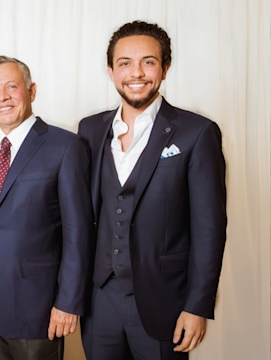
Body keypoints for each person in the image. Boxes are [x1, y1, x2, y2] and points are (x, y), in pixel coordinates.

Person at [78, 20, 228, 360]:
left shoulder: (197, 132)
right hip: (99, 302)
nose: (137, 73)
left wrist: (198, 305)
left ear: (165, 67)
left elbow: (210, 229)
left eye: (148, 61)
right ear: (111, 71)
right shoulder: (89, 129)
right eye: (125, 63)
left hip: (164, 301)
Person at [0, 55, 95, 360]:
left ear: (31, 91)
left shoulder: (65, 146)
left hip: (38, 309)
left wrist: (68, 302)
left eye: (12, 87)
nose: (3, 97)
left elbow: (79, 233)